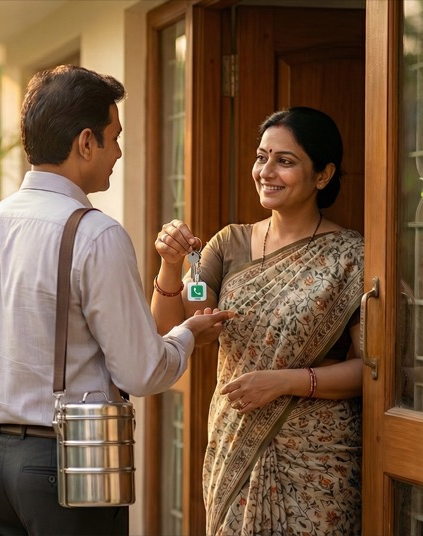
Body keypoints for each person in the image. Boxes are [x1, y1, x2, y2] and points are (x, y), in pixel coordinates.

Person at [0, 64, 235, 536]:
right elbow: (140, 371)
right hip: (73, 464)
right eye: (114, 137)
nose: (118, 152)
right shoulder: (95, 234)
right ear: (85, 143)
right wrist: (187, 336)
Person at [151, 106, 364, 534]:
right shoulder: (228, 245)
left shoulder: (352, 257)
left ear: (323, 175)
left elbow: (371, 370)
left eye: (285, 161)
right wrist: (172, 267)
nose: (266, 171)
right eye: (261, 156)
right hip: (236, 447)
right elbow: (175, 326)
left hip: (320, 461)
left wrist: (284, 382)